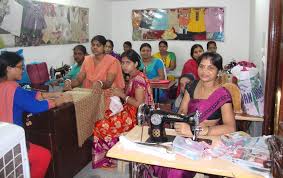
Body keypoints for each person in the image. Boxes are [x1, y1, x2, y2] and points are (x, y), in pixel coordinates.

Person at [152, 52, 236, 178]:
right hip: (186, 136)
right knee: (159, 160)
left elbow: (230, 127)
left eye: (210, 68)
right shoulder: (191, 86)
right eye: (201, 66)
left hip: (207, 141)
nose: (204, 71)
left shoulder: (223, 94)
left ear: (218, 71)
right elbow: (182, 111)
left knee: (177, 171)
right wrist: (180, 120)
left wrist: (199, 130)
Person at [0, 52, 72, 178]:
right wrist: (58, 101)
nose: (23, 70)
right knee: (43, 156)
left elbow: (29, 95)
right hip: (10, 144)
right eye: (20, 67)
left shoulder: (7, 86)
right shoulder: (14, 90)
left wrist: (52, 94)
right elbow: (36, 107)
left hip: (3, 137)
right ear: (9, 68)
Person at [92, 49, 154, 168]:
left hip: (139, 116)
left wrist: (122, 95)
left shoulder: (138, 79)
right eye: (123, 62)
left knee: (101, 125)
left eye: (128, 63)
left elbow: (139, 104)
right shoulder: (132, 76)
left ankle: (113, 159)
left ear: (136, 64)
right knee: (102, 116)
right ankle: (112, 157)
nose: (124, 66)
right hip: (130, 111)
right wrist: (118, 92)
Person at [64, 35, 125, 109]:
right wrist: (69, 82)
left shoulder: (112, 61)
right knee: (65, 100)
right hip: (89, 94)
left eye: (98, 45)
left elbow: (109, 83)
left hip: (106, 95)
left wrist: (100, 83)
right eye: (93, 45)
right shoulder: (87, 60)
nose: (95, 47)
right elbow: (78, 80)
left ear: (104, 47)